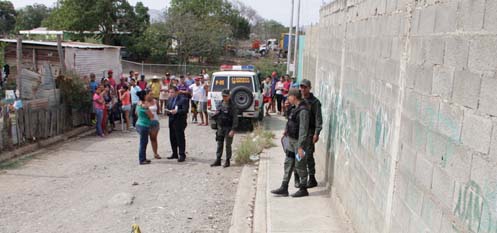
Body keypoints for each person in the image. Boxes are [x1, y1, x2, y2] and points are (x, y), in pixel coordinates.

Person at [271, 88, 310, 197]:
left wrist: (301, 147)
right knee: (288, 162)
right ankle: (284, 187)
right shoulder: (294, 108)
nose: (288, 98)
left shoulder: (303, 111)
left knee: (300, 165)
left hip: (299, 142)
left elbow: (303, 130)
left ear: (294, 97)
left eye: (289, 96)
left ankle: (303, 188)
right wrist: (286, 131)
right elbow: (290, 121)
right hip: (291, 141)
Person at [295, 79, 323, 189]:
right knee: (297, 155)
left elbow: (318, 119)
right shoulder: (299, 100)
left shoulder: (315, 102)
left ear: (309, 88)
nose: (302, 89)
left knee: (309, 155)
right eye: (301, 87)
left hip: (310, 132)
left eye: (304, 87)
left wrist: (317, 133)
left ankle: (312, 178)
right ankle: (298, 177)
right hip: (299, 132)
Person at [210, 89, 239, 168]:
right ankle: (218, 159)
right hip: (220, 127)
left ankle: (227, 160)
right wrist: (214, 116)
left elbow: (235, 119)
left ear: (229, 96)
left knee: (228, 145)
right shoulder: (220, 103)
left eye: (226, 96)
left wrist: (233, 129)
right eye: (223, 96)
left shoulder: (233, 106)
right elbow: (218, 113)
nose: (224, 97)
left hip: (228, 128)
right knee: (219, 144)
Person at [165, 87, 189, 162]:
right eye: (169, 92)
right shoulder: (169, 99)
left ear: (177, 92)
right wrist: (168, 111)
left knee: (180, 138)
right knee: (172, 137)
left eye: (172, 92)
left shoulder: (183, 99)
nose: (170, 94)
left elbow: (185, 110)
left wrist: (177, 111)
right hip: (171, 120)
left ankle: (182, 154)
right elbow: (168, 107)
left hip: (179, 121)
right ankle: (174, 153)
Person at [135, 90, 154, 165]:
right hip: (144, 125)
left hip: (139, 123)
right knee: (143, 143)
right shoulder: (144, 106)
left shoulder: (138, 104)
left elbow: (136, 113)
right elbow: (151, 116)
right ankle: (142, 159)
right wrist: (148, 108)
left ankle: (143, 158)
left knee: (143, 142)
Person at [146, 94, 162, 159]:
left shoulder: (155, 101)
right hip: (147, 122)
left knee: (154, 138)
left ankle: (155, 153)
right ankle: (144, 154)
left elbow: (158, 111)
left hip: (155, 121)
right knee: (145, 139)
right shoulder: (143, 102)